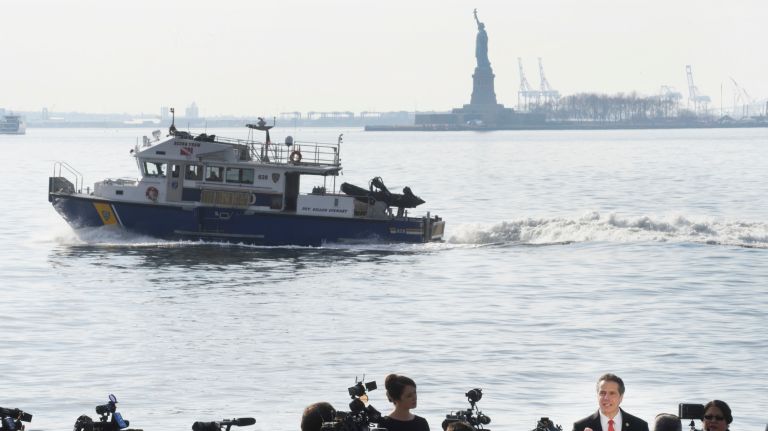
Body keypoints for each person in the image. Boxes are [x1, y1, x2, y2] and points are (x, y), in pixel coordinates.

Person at [573, 373, 649, 431]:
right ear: (597, 395)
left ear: (621, 397)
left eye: (612, 393)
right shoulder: (580, 427)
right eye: (602, 393)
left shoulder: (640, 426)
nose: (606, 398)